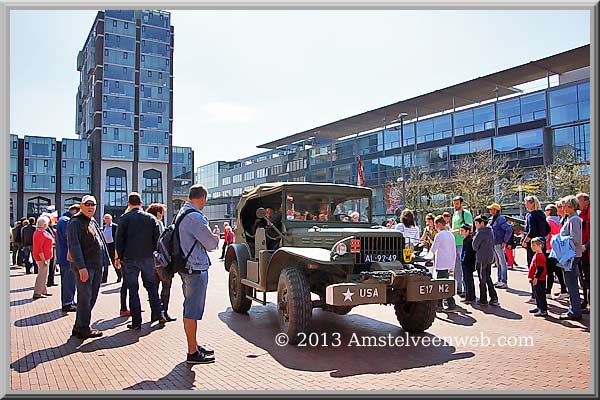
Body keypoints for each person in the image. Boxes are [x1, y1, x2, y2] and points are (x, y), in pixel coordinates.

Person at [176, 184, 219, 364]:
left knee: (190, 309)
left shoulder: (182, 213)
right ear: (202, 198)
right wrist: (216, 235)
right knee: (192, 311)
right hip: (195, 269)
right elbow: (211, 244)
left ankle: (194, 345)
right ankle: (192, 352)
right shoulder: (194, 217)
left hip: (187, 267)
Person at [116, 192, 165, 330]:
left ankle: (136, 322)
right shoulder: (151, 218)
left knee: (133, 290)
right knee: (151, 287)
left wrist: (120, 256)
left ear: (129, 204)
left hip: (129, 259)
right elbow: (158, 239)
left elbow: (119, 239)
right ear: (141, 204)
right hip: (147, 258)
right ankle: (159, 314)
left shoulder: (124, 218)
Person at [67, 195, 111, 339]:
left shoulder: (92, 220)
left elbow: (100, 242)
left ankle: (79, 326)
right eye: (87, 204)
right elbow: (74, 245)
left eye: (93, 204)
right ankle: (83, 328)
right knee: (85, 298)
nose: (90, 207)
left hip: (96, 265)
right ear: (81, 206)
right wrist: (81, 267)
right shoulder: (75, 222)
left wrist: (107, 261)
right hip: (86, 266)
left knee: (91, 297)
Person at [146, 203, 176, 322]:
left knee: (154, 289)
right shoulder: (158, 223)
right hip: (160, 260)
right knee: (166, 286)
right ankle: (164, 313)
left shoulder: (145, 224)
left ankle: (155, 313)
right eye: (162, 214)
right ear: (158, 213)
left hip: (149, 261)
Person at [558, 195, 583, 321]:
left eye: (565, 206)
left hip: (571, 255)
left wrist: (560, 239)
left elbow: (576, 238)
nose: (563, 208)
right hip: (569, 255)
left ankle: (574, 311)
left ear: (571, 207)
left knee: (571, 284)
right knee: (570, 283)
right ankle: (573, 309)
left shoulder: (574, 220)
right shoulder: (571, 219)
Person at [522, 195, 550, 304]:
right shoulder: (542, 215)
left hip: (533, 245)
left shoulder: (531, 215)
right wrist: (542, 237)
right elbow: (548, 228)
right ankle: (540, 296)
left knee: (533, 269)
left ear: (533, 203)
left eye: (527, 203)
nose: (526, 205)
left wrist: (525, 241)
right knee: (541, 269)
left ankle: (535, 295)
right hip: (541, 244)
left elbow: (532, 231)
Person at [429, 216, 457, 312]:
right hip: (449, 262)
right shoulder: (450, 235)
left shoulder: (439, 235)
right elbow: (454, 250)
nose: (435, 227)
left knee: (442, 285)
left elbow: (433, 249)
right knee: (443, 283)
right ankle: (439, 303)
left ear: (439, 224)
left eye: (436, 225)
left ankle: (451, 304)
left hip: (441, 263)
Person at [56, 204, 79, 313]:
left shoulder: (63, 220)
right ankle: (67, 303)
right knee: (69, 280)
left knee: (68, 280)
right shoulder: (66, 221)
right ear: (74, 211)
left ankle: (69, 301)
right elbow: (70, 237)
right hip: (67, 256)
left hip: (64, 255)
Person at [472, 215, 499, 306]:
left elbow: (475, 246)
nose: (476, 225)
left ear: (482, 223)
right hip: (489, 257)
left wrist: (474, 238)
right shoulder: (490, 231)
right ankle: (493, 297)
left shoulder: (480, 233)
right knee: (487, 277)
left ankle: (483, 298)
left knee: (482, 278)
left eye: (477, 223)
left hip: (481, 258)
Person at [450, 196, 473, 298]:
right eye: (454, 203)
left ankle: (465, 288)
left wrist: (453, 232)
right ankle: (458, 287)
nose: (455, 205)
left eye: (457, 203)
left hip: (463, 242)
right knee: (456, 267)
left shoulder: (466, 214)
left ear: (462, 203)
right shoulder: (454, 214)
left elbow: (469, 226)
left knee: (463, 265)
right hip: (455, 242)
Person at [544, 204, 567, 300]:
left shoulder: (548, 221)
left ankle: (548, 292)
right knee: (558, 270)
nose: (545, 212)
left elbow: (547, 236)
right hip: (558, 249)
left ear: (549, 211)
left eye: (546, 210)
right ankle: (563, 290)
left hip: (549, 248)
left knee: (550, 272)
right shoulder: (560, 220)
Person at [487, 203, 513, 289]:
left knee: (502, 262)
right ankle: (499, 279)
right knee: (498, 262)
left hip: (499, 243)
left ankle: (504, 281)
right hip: (494, 243)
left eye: (492, 209)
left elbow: (509, 229)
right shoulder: (492, 219)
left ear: (496, 210)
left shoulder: (500, 219)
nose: (490, 211)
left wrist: (505, 241)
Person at [32, 216, 55, 299]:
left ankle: (43, 290)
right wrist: (43, 259)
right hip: (42, 257)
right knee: (42, 274)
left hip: (46, 256)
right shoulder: (39, 233)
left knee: (45, 274)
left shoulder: (41, 231)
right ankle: (37, 292)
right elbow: (39, 248)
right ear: (44, 224)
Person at [576, 192, 590, 313]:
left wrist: (586, 245)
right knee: (583, 278)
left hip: (587, 250)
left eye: (579, 201)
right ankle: (585, 301)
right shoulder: (579, 214)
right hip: (582, 250)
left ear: (586, 201)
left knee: (589, 277)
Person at [528, 238, 548, 317]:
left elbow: (540, 268)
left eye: (534, 245)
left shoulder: (540, 256)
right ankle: (539, 307)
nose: (532, 247)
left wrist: (536, 278)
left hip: (540, 279)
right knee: (537, 294)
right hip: (536, 279)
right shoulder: (536, 255)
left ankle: (543, 310)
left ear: (540, 246)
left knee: (541, 294)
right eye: (532, 245)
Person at [459, 224, 477, 304]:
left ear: (467, 231)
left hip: (467, 263)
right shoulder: (467, 239)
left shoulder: (468, 240)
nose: (460, 232)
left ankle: (469, 297)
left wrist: (463, 260)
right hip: (467, 263)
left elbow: (468, 253)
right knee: (468, 280)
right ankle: (470, 296)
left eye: (462, 231)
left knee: (468, 280)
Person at [101, 214, 119, 284]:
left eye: (108, 218)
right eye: (105, 219)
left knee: (114, 260)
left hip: (113, 246)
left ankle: (119, 276)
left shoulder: (115, 226)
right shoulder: (104, 227)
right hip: (106, 245)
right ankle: (104, 279)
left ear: (111, 219)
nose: (107, 220)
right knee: (105, 263)